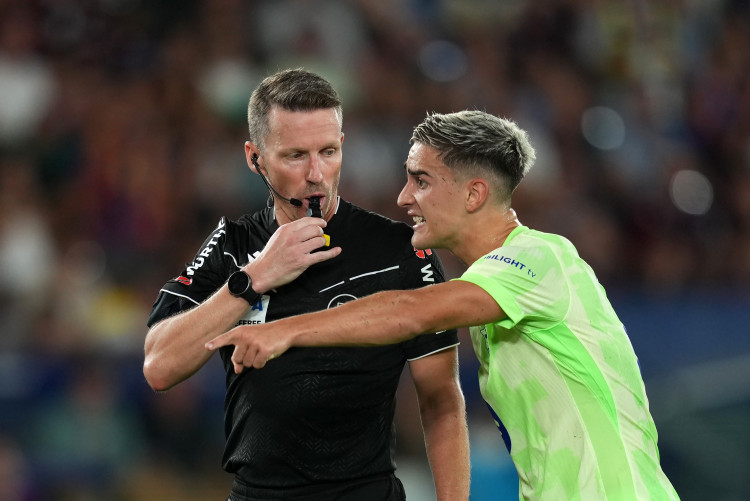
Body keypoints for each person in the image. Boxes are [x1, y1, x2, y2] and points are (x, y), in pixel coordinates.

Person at [207, 110, 681, 500]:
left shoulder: (540, 258)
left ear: (474, 194)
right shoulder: (493, 289)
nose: (403, 197)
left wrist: (284, 329)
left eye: (422, 181)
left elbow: (410, 312)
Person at [143, 69, 470, 501]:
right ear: (255, 158)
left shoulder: (402, 250)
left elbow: (441, 401)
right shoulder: (232, 246)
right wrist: (255, 278)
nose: (316, 174)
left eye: (328, 152)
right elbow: (159, 366)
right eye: (295, 156)